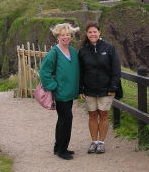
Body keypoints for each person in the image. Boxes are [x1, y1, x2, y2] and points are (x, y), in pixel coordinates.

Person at [79, 21, 121, 154]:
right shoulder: (83, 51)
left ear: (99, 32)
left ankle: (101, 143)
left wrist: (113, 87)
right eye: (90, 32)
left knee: (103, 115)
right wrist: (80, 89)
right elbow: (80, 71)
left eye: (94, 31)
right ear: (87, 34)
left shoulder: (109, 48)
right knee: (92, 115)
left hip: (106, 89)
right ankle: (94, 142)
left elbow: (116, 69)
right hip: (89, 89)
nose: (92, 34)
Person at [40, 23, 80, 160]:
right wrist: (54, 86)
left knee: (63, 120)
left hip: (70, 92)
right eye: (63, 34)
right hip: (61, 93)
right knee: (66, 119)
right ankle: (61, 150)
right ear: (57, 36)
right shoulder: (54, 53)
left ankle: (59, 147)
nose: (66, 37)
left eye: (68, 34)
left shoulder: (73, 52)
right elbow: (44, 72)